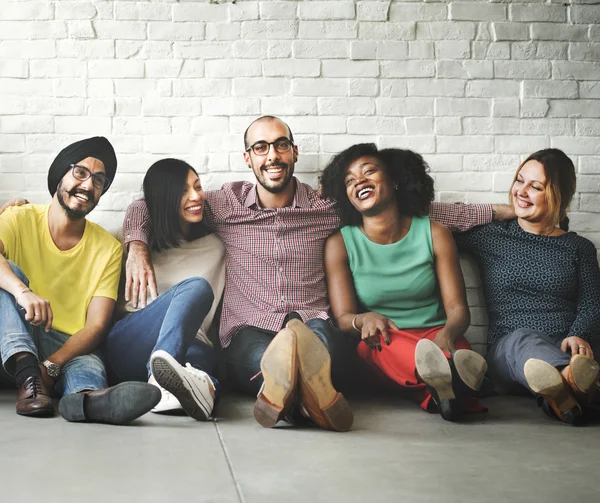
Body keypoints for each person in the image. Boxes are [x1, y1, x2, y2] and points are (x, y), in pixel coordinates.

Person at [123, 116, 507, 430]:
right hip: (249, 328)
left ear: (294, 152)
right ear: (248, 158)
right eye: (261, 148)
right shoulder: (224, 205)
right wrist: (136, 246)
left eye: (280, 145)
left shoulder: (326, 205)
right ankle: (311, 398)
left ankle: (287, 400)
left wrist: (501, 212)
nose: (271, 155)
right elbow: (148, 204)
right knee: (270, 357)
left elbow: (414, 213)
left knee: (313, 344)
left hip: (314, 321)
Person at [321, 144, 488, 421]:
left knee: (454, 352)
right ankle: (458, 382)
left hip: (438, 335)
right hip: (385, 339)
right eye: (349, 180)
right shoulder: (340, 243)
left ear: (395, 180)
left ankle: (439, 391)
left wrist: (446, 336)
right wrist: (365, 319)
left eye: (369, 171)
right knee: (390, 349)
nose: (359, 181)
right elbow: (342, 318)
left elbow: (458, 309)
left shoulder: (435, 233)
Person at [0, 137, 160, 424]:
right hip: (13, 338)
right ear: (60, 174)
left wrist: (51, 365)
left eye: (99, 180)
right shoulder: (18, 218)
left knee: (87, 367)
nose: (88, 185)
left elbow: (96, 325)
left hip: (68, 346)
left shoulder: (108, 247)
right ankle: (27, 376)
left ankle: (87, 401)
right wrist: (23, 292)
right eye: (80, 172)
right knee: (7, 271)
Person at [452, 148, 600, 424]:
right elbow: (427, 219)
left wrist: (579, 334)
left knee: (582, 354)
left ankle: (563, 397)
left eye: (535, 187)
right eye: (519, 181)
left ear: (557, 196)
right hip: (510, 349)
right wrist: (496, 211)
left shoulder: (578, 248)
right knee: (523, 341)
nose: (521, 191)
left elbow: (592, 302)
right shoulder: (490, 236)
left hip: (566, 344)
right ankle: (573, 380)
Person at [105, 159, 225, 421]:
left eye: (198, 187)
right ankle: (159, 378)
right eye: (183, 191)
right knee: (196, 288)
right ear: (163, 197)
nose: (196, 196)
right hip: (131, 342)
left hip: (192, 344)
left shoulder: (217, 246)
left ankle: (201, 389)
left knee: (201, 363)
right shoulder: (129, 239)